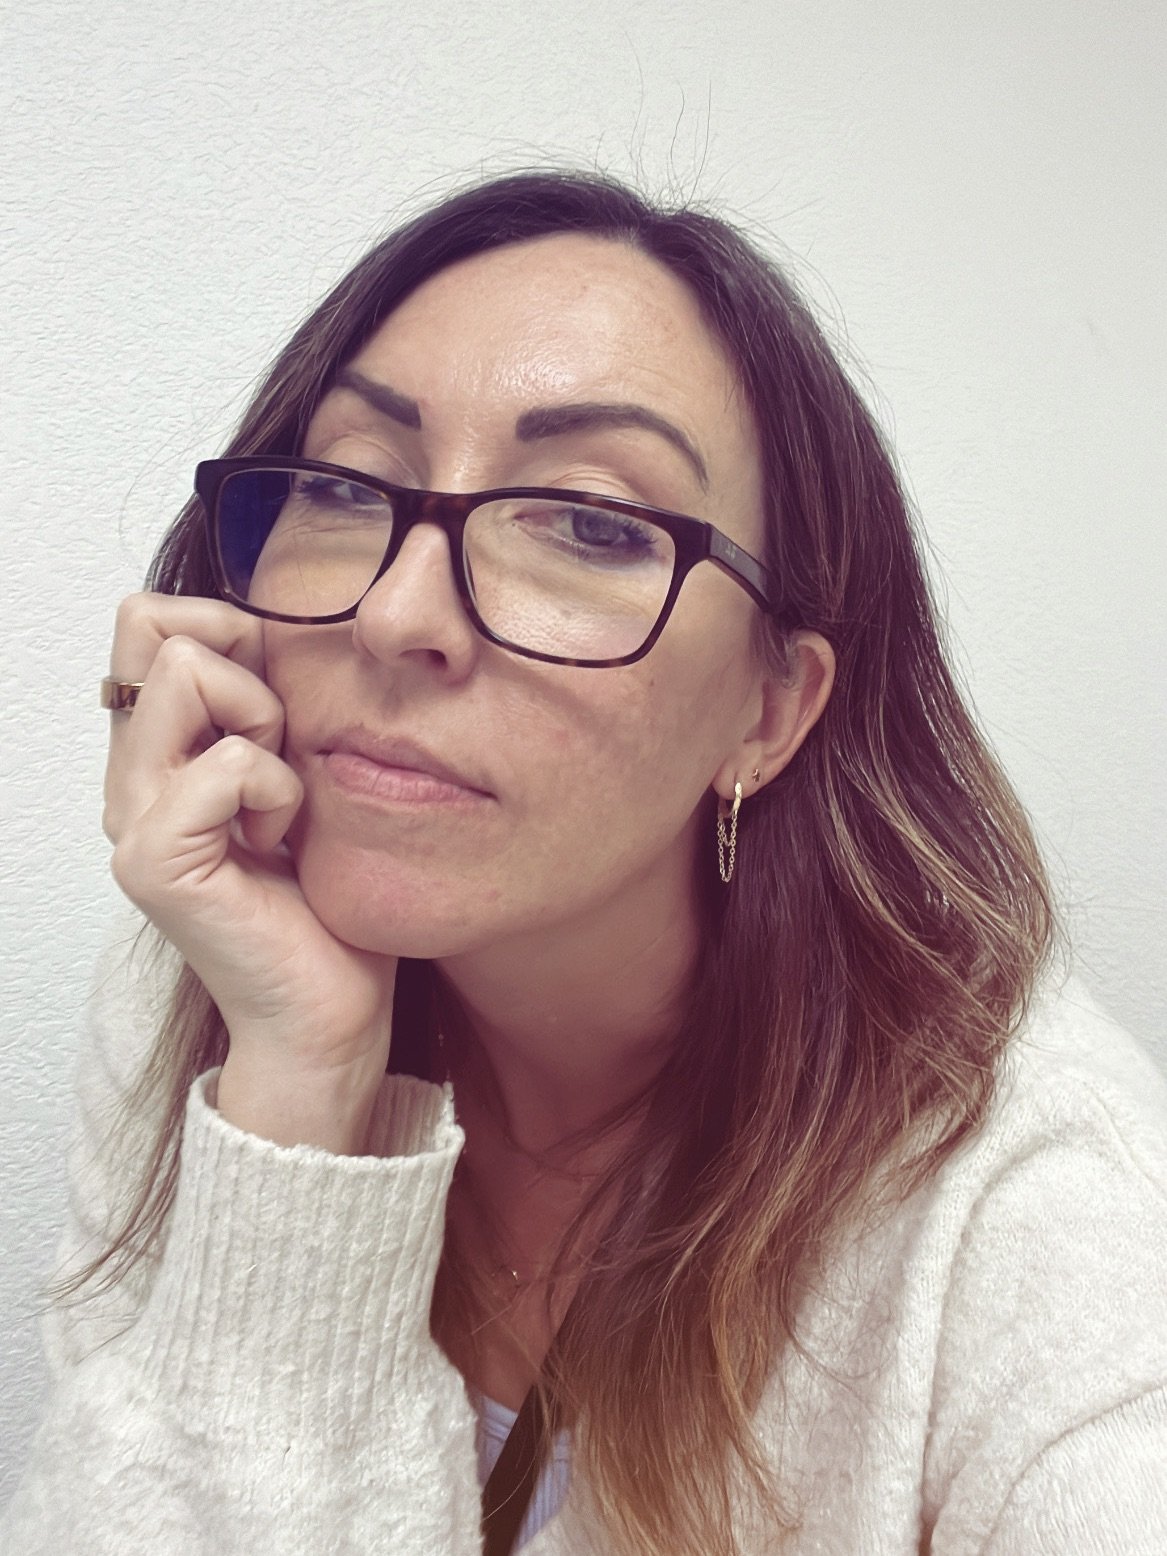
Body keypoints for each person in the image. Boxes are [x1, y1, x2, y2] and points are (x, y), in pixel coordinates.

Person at [4, 169, 1166, 1556]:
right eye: (343, 484)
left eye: (592, 523)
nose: (396, 612)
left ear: (769, 710)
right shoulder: (207, 992)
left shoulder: (1039, 1208)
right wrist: (300, 1092)